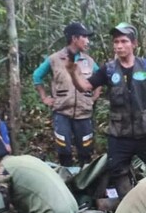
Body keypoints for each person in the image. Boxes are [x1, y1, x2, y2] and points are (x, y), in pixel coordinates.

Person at [68, 22, 146, 197]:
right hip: (120, 134)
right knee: (117, 171)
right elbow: (85, 87)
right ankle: (129, 203)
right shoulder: (109, 70)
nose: (119, 46)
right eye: (116, 42)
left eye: (124, 41)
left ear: (134, 44)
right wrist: (73, 73)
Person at [33, 22, 101, 166]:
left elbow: (99, 79)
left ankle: (85, 180)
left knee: (86, 149)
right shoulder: (54, 59)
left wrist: (94, 97)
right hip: (62, 112)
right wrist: (44, 97)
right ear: (74, 38)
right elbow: (37, 76)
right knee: (63, 149)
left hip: (84, 113)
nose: (88, 41)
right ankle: (66, 178)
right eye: (85, 37)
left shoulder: (89, 61)